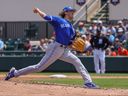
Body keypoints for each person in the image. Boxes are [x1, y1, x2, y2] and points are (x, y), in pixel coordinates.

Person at [5, 6, 99, 89]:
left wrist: (76, 46)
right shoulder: (58, 20)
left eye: (73, 12)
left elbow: (71, 41)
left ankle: (88, 82)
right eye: (71, 11)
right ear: (65, 12)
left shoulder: (70, 26)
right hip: (56, 48)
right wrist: (38, 11)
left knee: (77, 62)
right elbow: (46, 16)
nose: (72, 13)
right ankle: (14, 73)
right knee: (39, 67)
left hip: (65, 50)